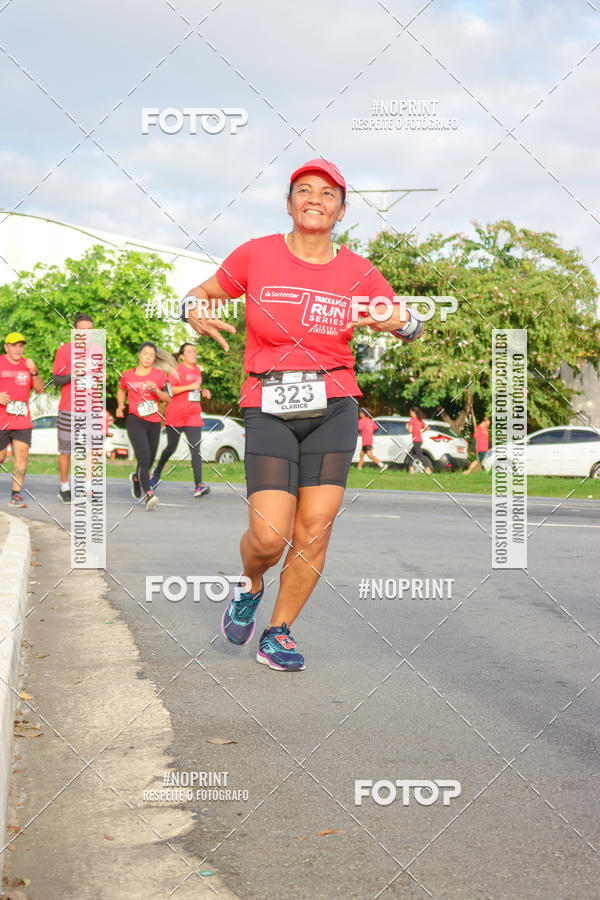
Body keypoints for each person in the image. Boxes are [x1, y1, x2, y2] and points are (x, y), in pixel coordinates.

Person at [182, 158, 424, 671]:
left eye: (328, 194)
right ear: (289, 203)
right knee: (269, 536)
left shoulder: (358, 269)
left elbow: (408, 320)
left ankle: (279, 632)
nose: (315, 199)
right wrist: (193, 305)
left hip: (334, 404)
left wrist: (398, 322)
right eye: (304, 191)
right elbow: (203, 291)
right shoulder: (256, 254)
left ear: (341, 209)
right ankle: (249, 586)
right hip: (268, 403)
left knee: (313, 528)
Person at [150, 342, 212, 497]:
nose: (193, 354)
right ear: (182, 356)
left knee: (195, 449)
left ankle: (199, 485)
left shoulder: (198, 370)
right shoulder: (176, 370)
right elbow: (171, 390)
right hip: (176, 414)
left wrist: (203, 391)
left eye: (194, 351)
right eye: (189, 352)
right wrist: (189, 386)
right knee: (171, 447)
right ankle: (156, 474)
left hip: (193, 415)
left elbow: (194, 390)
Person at [115, 342, 171, 510]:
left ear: (154, 358)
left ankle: (137, 478)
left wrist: (156, 390)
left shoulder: (160, 375)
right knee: (145, 457)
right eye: (145, 353)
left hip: (154, 422)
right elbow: (120, 389)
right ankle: (149, 494)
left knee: (148, 459)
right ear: (139, 355)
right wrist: (120, 406)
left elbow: (168, 398)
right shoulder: (127, 375)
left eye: (151, 355)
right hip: (135, 420)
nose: (147, 357)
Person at [52, 313, 94, 503]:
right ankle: (64, 487)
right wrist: (74, 374)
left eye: (89, 330)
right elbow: (56, 380)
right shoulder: (65, 350)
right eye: (82, 330)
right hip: (69, 408)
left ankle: (88, 488)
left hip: (90, 409)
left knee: (91, 449)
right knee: (66, 451)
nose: (85, 333)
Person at [0, 332, 45, 507]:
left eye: (21, 345)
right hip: (2, 419)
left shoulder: (28, 365)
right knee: (1, 456)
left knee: (22, 456)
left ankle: (15, 495)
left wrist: (34, 372)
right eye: (14, 345)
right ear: (6, 347)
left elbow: (40, 389)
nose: (18, 349)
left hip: (22, 420)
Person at [407, 406, 431, 474]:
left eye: (411, 412)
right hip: (419, 440)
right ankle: (411, 471)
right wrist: (422, 432)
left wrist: (407, 426)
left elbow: (410, 430)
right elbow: (428, 428)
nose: (410, 413)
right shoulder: (419, 420)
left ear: (413, 412)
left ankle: (428, 469)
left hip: (416, 440)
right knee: (409, 455)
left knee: (419, 455)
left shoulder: (411, 420)